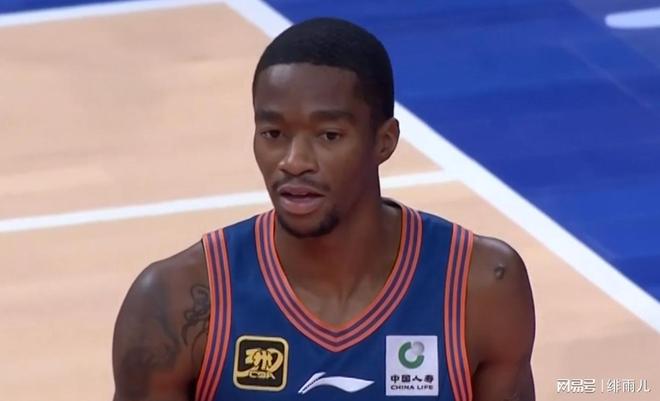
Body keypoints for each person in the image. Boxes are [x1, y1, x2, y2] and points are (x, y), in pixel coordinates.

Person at [112, 17, 535, 401]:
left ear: (384, 142)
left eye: (329, 135)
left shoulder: (481, 287)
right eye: (273, 133)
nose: (293, 161)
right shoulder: (175, 302)